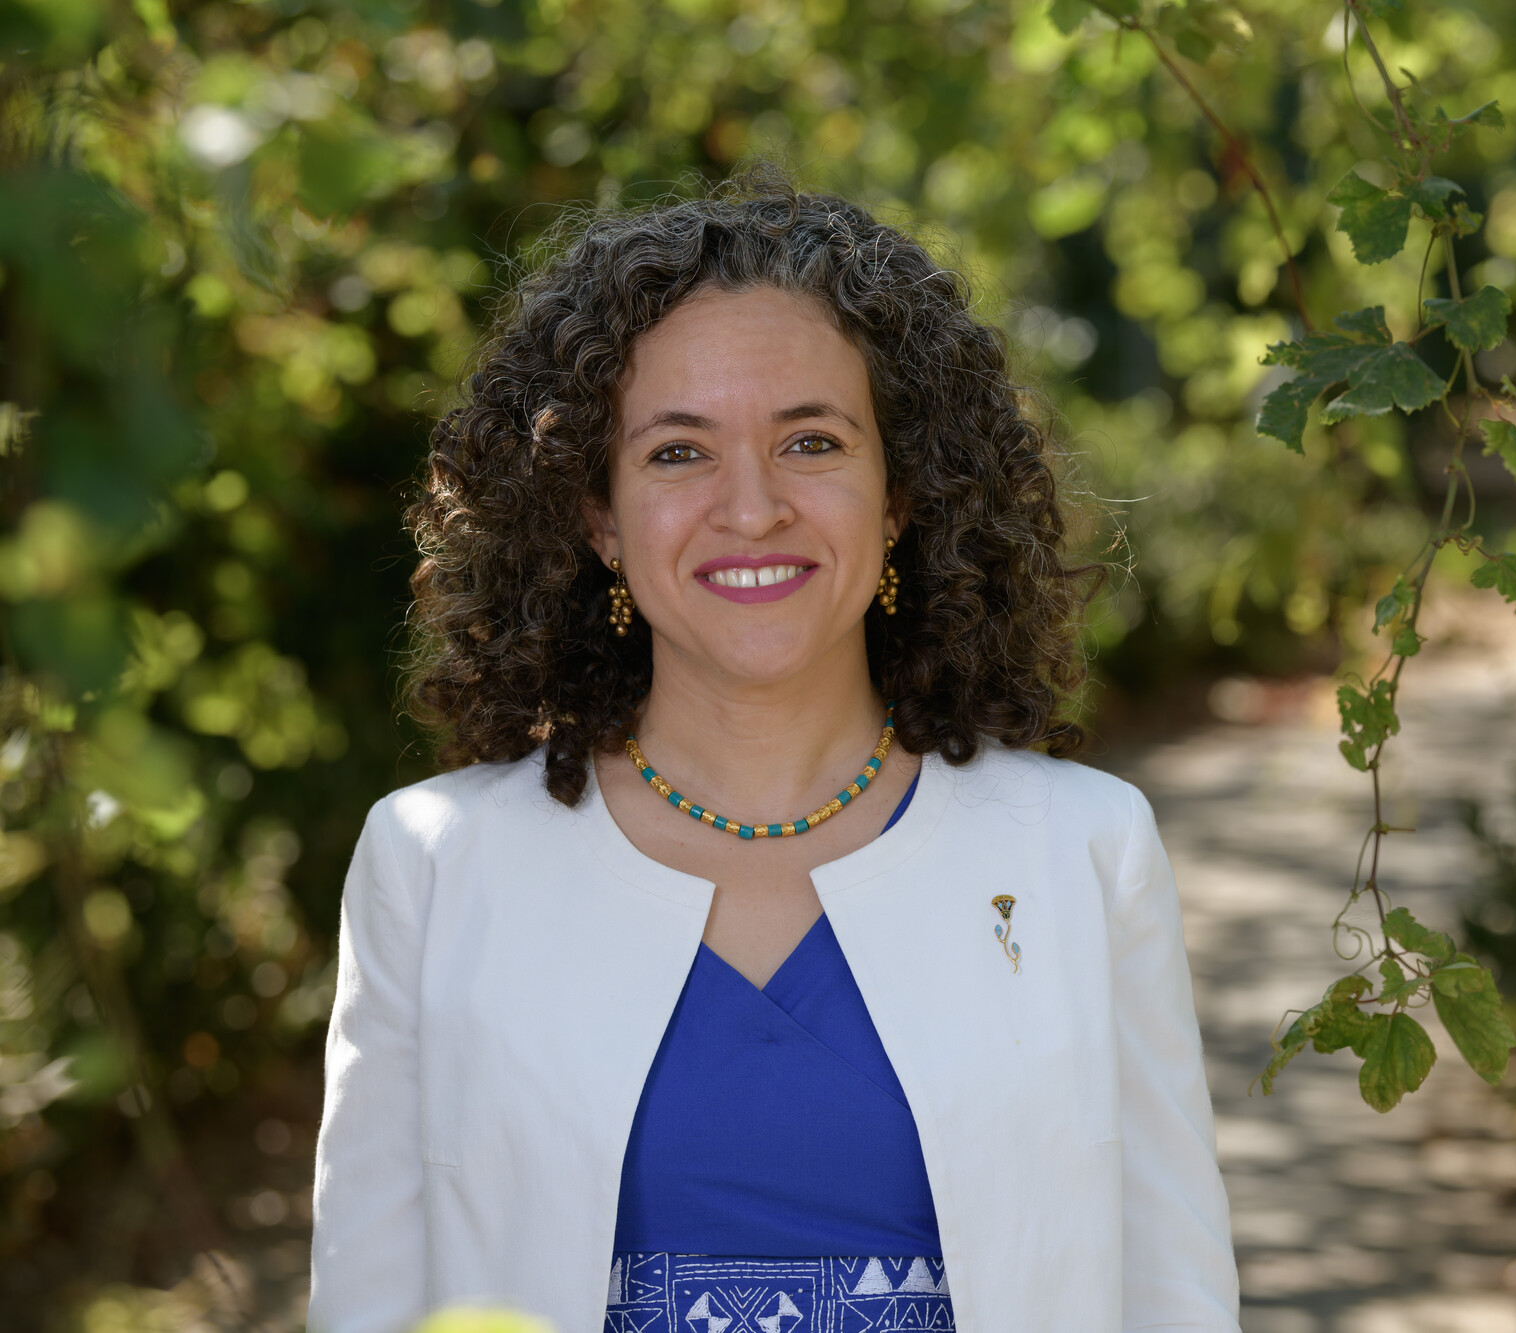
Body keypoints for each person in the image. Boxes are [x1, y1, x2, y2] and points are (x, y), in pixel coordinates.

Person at [308, 175, 1239, 1333]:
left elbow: (1175, 1298)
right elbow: (369, 1301)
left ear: (898, 494)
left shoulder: (1083, 849)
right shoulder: (433, 866)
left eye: (811, 441)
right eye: (675, 454)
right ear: (595, 512)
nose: (751, 509)